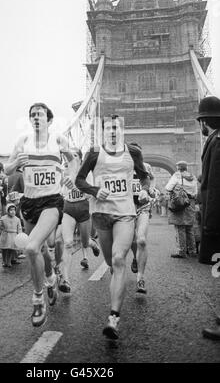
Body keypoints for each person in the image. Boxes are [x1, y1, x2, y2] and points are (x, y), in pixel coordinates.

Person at [76, 115, 150, 339]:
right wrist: (94, 190)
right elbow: (80, 180)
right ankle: (115, 279)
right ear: (103, 131)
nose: (113, 131)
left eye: (116, 127)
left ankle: (113, 318)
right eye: (108, 128)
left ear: (122, 130)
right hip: (101, 214)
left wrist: (145, 188)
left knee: (119, 260)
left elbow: (144, 176)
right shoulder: (94, 153)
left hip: (125, 213)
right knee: (110, 262)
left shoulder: (133, 153)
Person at [5, 102, 76, 327]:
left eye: (41, 114)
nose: (37, 117)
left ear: (50, 119)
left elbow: (74, 160)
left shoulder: (59, 140)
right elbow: (6, 169)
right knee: (41, 250)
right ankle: (51, 279)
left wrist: (71, 177)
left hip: (52, 201)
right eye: (33, 114)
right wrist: (17, 162)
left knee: (31, 247)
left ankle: (38, 298)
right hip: (29, 202)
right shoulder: (22, 141)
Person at [58, 148, 100, 294]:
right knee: (68, 244)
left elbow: (92, 192)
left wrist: (80, 186)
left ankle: (92, 243)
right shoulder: (64, 172)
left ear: (80, 159)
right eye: (71, 156)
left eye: (76, 155)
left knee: (84, 243)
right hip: (68, 208)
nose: (72, 158)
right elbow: (60, 191)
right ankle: (65, 280)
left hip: (83, 209)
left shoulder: (86, 174)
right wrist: (63, 182)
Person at [196, 96, 220, 340]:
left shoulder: (217, 142)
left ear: (205, 121)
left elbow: (215, 186)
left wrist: (210, 224)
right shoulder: (215, 140)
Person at [128, 143, 155, 294]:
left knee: (141, 240)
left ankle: (140, 278)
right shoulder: (121, 167)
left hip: (143, 206)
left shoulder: (146, 166)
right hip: (127, 207)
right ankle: (135, 258)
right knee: (132, 241)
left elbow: (151, 179)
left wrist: (150, 189)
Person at [165, 161, 197, 259]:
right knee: (189, 228)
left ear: (178, 168)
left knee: (180, 228)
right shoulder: (193, 177)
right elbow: (196, 192)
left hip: (180, 203)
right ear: (186, 168)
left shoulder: (177, 176)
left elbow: (168, 188)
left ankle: (181, 251)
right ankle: (192, 251)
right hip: (190, 203)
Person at [0, 203, 22, 267]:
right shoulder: (3, 218)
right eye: (11, 210)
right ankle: (4, 261)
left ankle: (9, 261)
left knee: (11, 249)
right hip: (5, 235)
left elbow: (19, 228)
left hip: (13, 236)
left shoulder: (17, 219)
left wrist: (19, 234)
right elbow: (0, 226)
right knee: (4, 249)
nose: (13, 212)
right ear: (7, 211)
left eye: (14, 210)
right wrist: (2, 230)